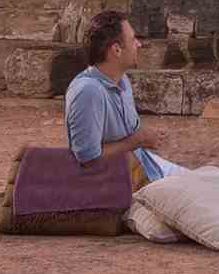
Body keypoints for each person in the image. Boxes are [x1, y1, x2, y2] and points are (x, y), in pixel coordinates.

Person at [65, 10, 185, 183]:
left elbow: (130, 136)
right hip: (121, 182)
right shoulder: (88, 91)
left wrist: (146, 137)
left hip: (146, 165)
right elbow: (88, 160)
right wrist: (138, 140)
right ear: (116, 50)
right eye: (133, 39)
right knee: (212, 197)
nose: (139, 44)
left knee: (216, 178)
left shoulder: (123, 81)